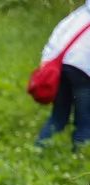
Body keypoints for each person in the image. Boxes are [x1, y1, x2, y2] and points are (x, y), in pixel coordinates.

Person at [35, 1, 90, 151]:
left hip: (62, 67)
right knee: (85, 121)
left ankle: (38, 148)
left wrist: (46, 61)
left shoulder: (79, 14)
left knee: (58, 116)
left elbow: (57, 34)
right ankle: (79, 157)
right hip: (84, 71)